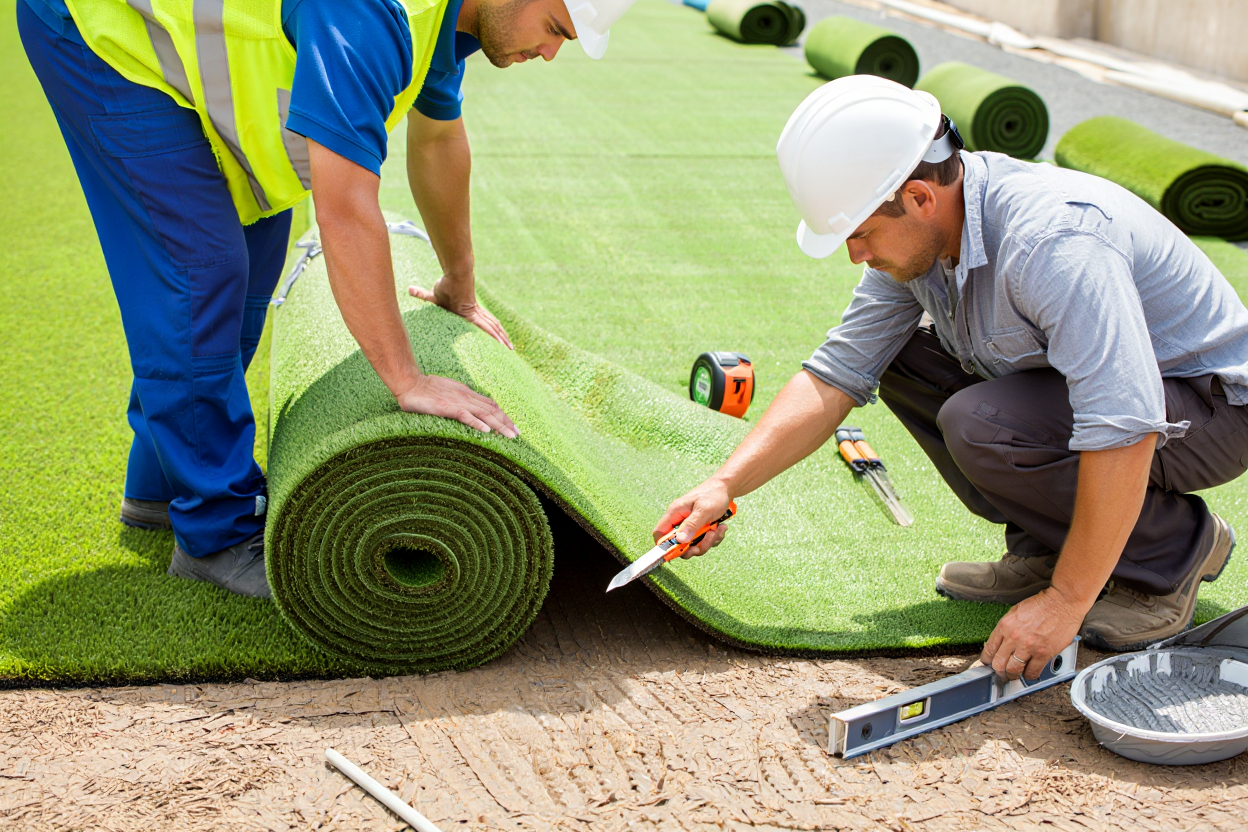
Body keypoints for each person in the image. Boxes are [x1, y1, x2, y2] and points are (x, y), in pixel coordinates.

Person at [19, 0, 639, 598]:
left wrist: (460, 280)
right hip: (101, 29)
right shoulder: (375, 10)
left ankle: (157, 489)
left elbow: (437, 143)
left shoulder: (448, 23)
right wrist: (407, 379)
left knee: (248, 274)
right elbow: (343, 208)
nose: (553, 52)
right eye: (557, 27)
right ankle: (216, 533)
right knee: (202, 273)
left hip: (189, 57)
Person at [654, 76, 1248, 679]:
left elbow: (1122, 422)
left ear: (918, 197)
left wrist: (1066, 604)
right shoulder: (924, 238)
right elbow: (837, 373)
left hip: (1210, 407)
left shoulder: (1052, 242)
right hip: (1123, 399)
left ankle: (1170, 552)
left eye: (859, 233)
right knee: (905, 356)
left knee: (980, 422)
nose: (854, 254)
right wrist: (725, 485)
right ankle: (1049, 549)